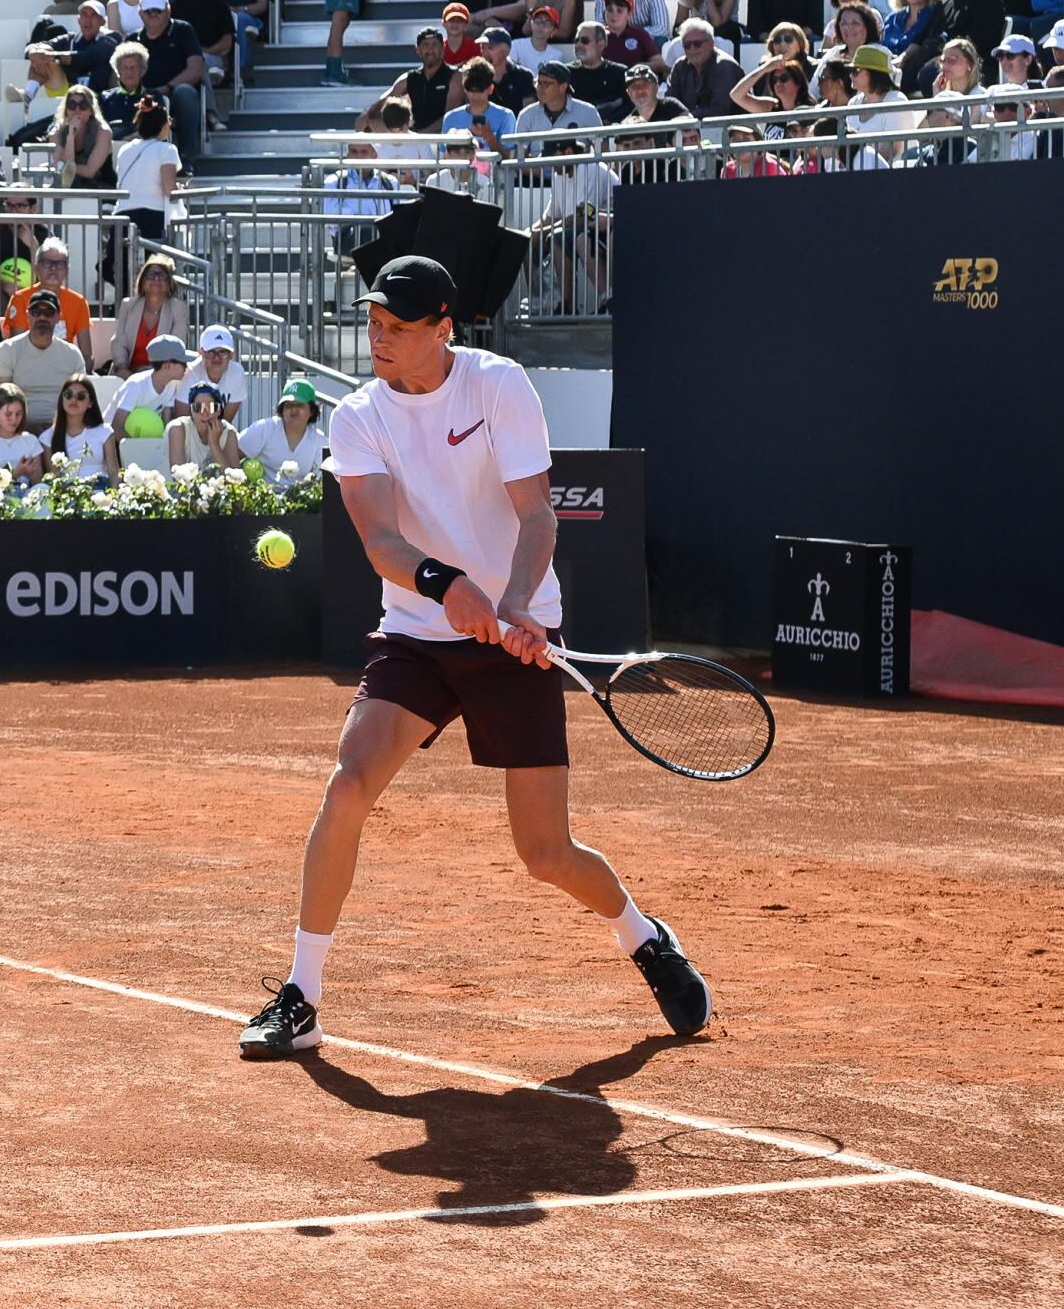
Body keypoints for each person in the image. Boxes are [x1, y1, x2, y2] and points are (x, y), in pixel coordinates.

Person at [239, 256, 711, 1061]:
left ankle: (644, 936)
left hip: (513, 636)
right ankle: (302, 994)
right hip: (417, 634)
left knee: (545, 852)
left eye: (398, 327)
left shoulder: (498, 386)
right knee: (349, 781)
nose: (378, 337)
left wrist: (520, 602)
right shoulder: (357, 415)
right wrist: (445, 584)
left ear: (443, 327)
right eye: (375, 323)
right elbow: (382, 541)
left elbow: (537, 518)